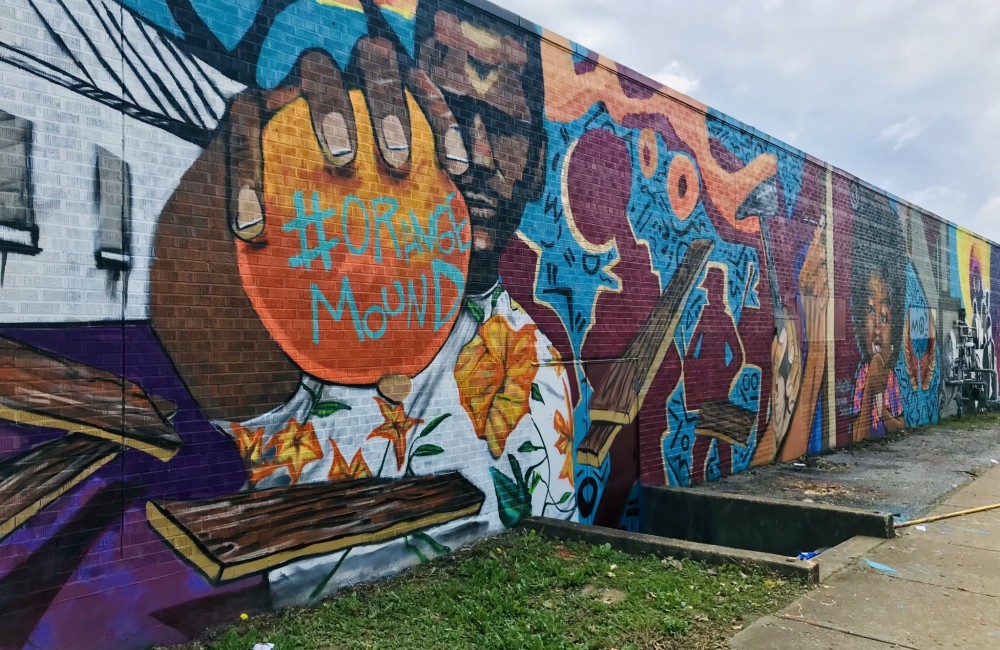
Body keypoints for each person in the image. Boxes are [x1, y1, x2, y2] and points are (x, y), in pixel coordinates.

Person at [147, 0, 573, 606]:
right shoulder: (343, 322)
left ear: (537, 164)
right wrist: (245, 169)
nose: (476, 151)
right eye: (451, 115)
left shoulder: (545, 361)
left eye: (503, 128)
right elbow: (221, 351)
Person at [849, 184, 906, 442]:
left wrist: (881, 408)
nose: (878, 329)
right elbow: (857, 435)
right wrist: (870, 390)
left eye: (885, 317)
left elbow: (900, 426)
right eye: (871, 311)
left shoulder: (891, 379)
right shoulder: (862, 378)